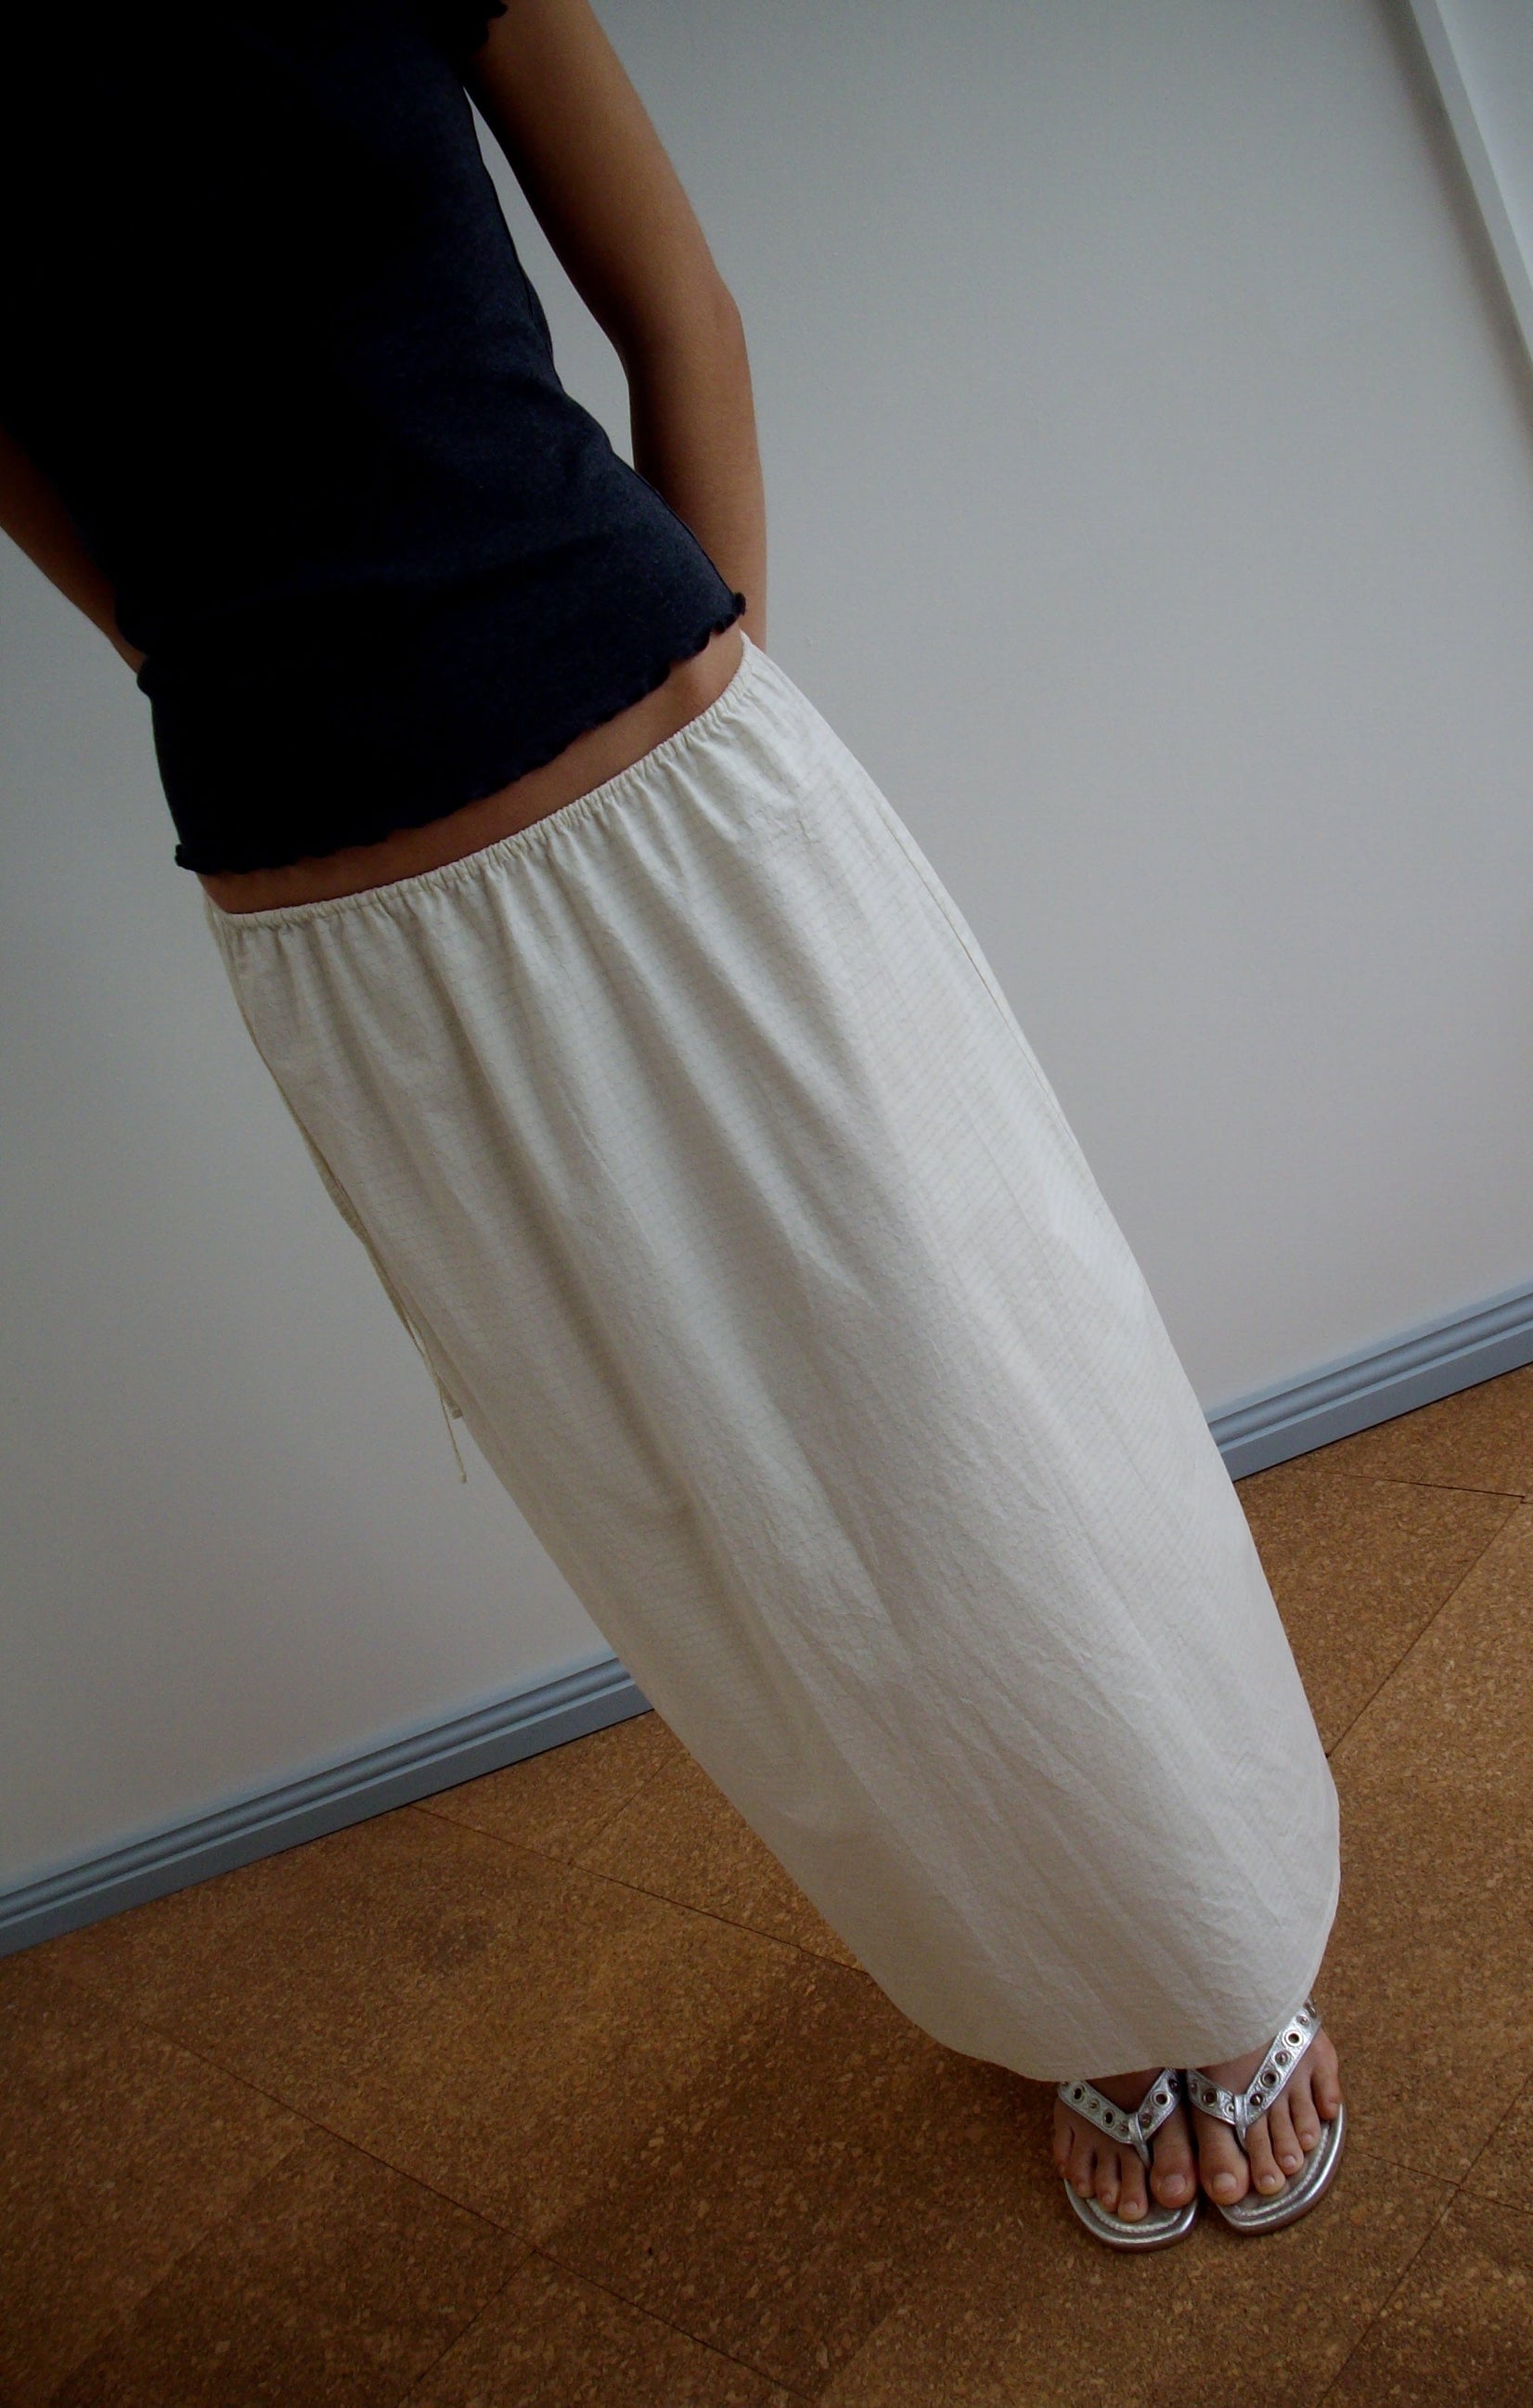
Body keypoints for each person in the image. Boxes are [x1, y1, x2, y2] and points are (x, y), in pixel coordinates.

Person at [0, 0, 1343, 2246]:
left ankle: (1219, 1952)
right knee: (725, 1537)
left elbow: (676, 306)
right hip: (341, 931)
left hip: (673, 809)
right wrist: (243, 682)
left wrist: (698, 713)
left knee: (993, 1416)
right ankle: (1067, 1994)